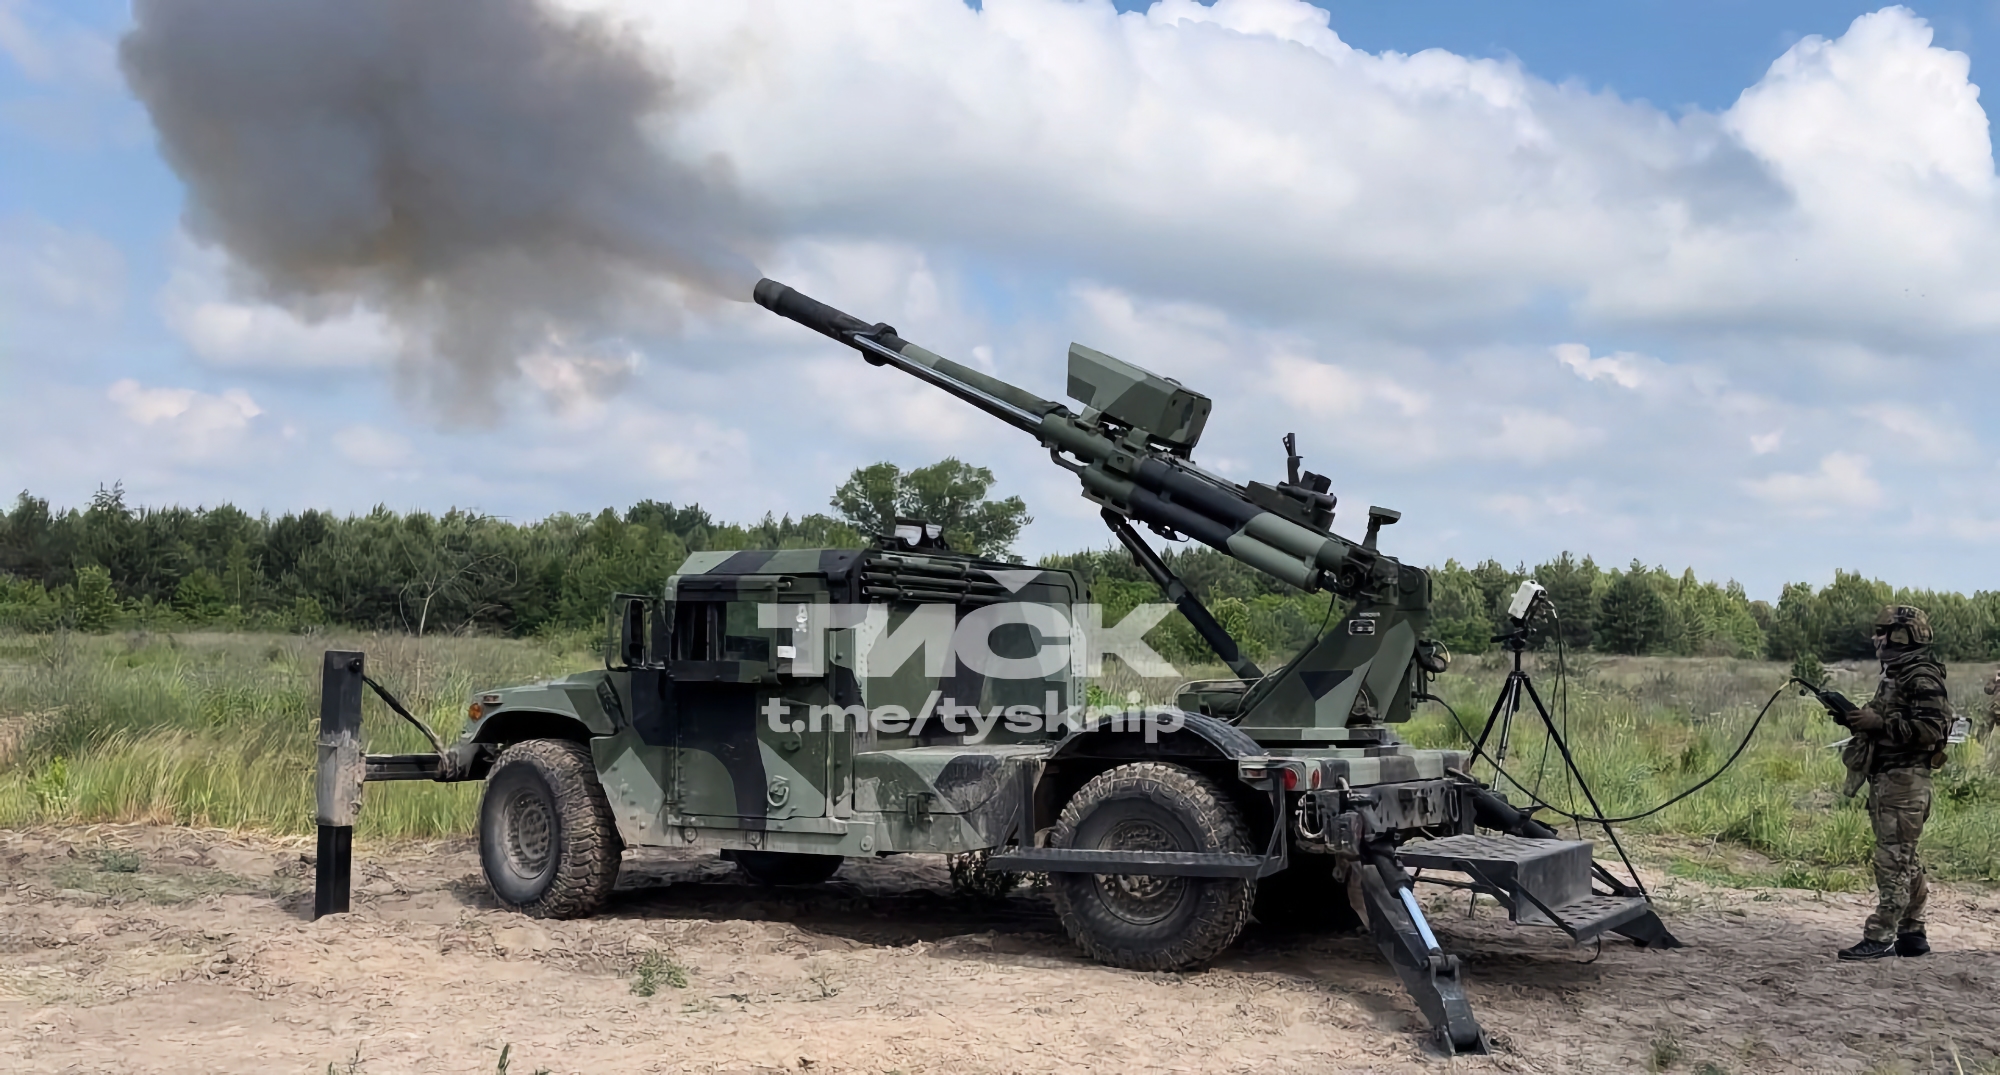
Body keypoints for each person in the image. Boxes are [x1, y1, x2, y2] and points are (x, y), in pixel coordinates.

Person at [1836, 605, 1953, 961]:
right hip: (1890, 779)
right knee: (1906, 858)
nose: (1877, 638)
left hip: (1905, 781)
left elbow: (1934, 730)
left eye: (1883, 631)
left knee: (1892, 861)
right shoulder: (1898, 674)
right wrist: (1856, 720)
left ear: (1902, 635)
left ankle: (1881, 935)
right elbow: (1890, 719)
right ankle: (1912, 932)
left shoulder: (1921, 676)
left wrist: (1880, 725)